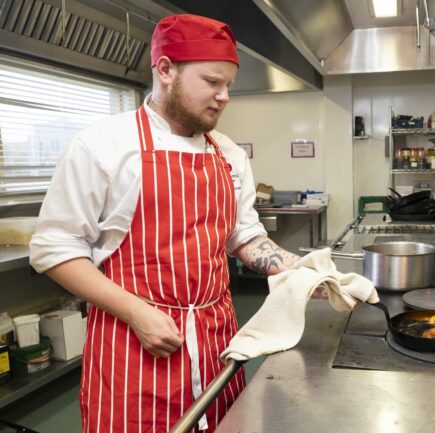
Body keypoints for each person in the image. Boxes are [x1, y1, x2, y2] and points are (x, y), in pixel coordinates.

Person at [30, 14, 307, 432]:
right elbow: (54, 249)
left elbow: (242, 234)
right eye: (212, 82)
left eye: (228, 84)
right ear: (164, 70)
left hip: (217, 341)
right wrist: (138, 314)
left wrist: (300, 272)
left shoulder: (229, 154)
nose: (224, 96)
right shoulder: (102, 146)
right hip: (133, 344)